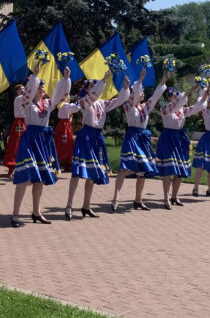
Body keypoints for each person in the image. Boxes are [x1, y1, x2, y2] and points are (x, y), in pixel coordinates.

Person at [9, 68, 71, 227]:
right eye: (39, 87)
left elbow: (60, 95)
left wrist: (65, 79)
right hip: (30, 140)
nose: (42, 90)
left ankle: (36, 212)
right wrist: (34, 76)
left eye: (43, 87)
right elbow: (27, 93)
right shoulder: (26, 103)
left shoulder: (48, 104)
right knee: (25, 177)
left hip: (42, 141)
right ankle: (15, 214)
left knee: (40, 178)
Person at [65, 76, 130, 219]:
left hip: (97, 138)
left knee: (93, 172)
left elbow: (119, 101)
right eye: (92, 87)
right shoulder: (83, 101)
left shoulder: (102, 103)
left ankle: (86, 206)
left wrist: (125, 88)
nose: (95, 89)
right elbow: (93, 96)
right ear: (88, 89)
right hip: (86, 137)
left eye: (96, 86)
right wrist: (102, 81)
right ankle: (69, 205)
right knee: (77, 172)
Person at [111, 68, 168, 211]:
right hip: (132, 137)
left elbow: (155, 97)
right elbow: (133, 95)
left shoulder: (145, 107)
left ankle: (138, 200)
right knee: (125, 167)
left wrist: (163, 82)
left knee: (142, 170)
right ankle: (116, 197)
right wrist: (141, 79)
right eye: (140, 91)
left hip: (143, 139)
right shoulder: (128, 106)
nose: (142, 93)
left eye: (142, 92)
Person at [156, 84, 208, 206]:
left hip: (179, 139)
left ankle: (174, 196)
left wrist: (204, 95)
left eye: (176, 94)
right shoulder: (165, 108)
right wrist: (189, 91)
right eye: (174, 95)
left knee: (179, 169)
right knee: (168, 169)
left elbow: (196, 108)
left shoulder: (182, 110)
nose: (175, 96)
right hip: (168, 138)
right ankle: (166, 197)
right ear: (169, 97)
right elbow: (177, 104)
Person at [2, 83, 27, 178]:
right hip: (19, 123)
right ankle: (11, 168)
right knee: (16, 144)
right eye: (20, 89)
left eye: (24, 89)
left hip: (26, 122)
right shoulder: (18, 98)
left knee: (25, 144)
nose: (23, 91)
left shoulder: (26, 98)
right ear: (16, 92)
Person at [54, 97, 78, 172]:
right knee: (63, 143)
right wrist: (80, 101)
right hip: (64, 126)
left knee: (68, 143)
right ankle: (58, 165)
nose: (69, 100)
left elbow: (70, 117)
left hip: (66, 125)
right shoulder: (64, 105)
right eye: (68, 98)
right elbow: (76, 108)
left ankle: (66, 165)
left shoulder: (64, 105)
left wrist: (70, 117)